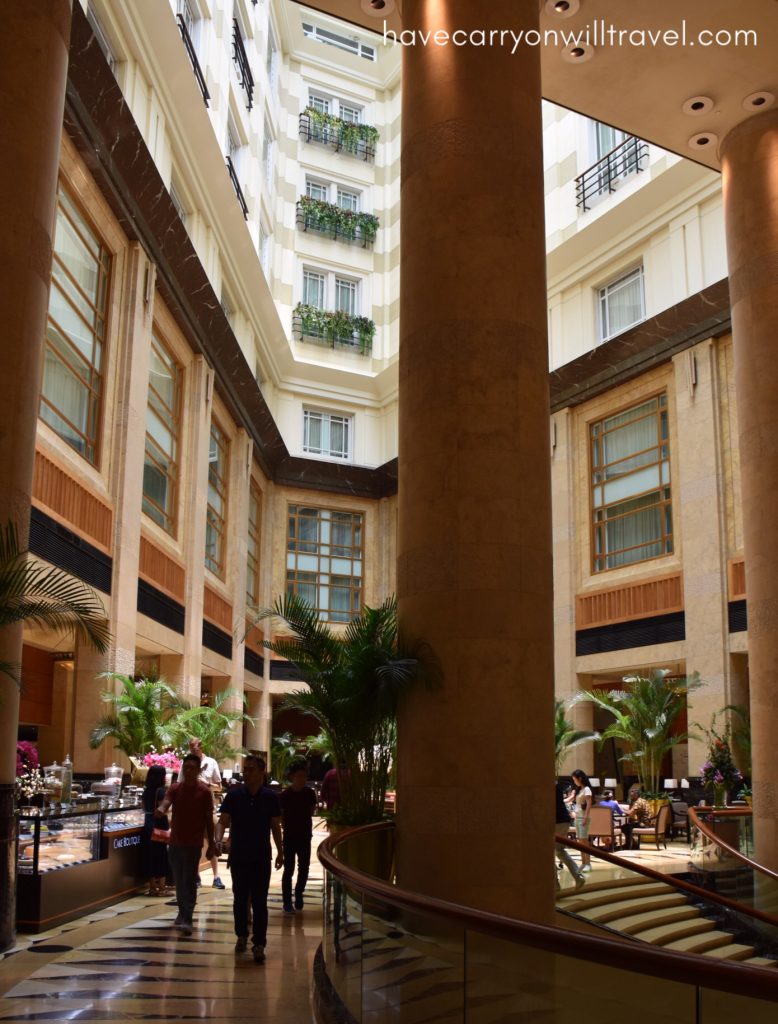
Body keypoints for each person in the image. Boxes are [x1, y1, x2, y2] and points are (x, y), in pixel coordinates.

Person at [215, 754, 283, 964]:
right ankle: (241, 935)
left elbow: (275, 826)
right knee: (240, 898)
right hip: (239, 856)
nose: (247, 773)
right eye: (246, 769)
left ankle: (259, 943)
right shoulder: (234, 796)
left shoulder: (270, 797)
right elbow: (223, 821)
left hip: (261, 856)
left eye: (252, 769)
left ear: (262, 772)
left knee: (260, 901)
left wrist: (281, 851)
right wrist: (218, 839)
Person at [157, 752, 216, 936]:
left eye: (192, 768)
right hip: (175, 842)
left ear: (198, 770)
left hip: (193, 843)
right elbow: (166, 802)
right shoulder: (175, 788)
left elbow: (208, 819)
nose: (188, 771)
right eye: (186, 767)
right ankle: (183, 912)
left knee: (189, 881)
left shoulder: (205, 792)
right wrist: (161, 809)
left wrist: (212, 843)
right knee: (179, 881)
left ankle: (187, 917)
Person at [178, 737, 225, 889]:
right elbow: (179, 784)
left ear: (201, 746)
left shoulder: (211, 763)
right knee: (193, 843)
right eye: (190, 747)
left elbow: (219, 787)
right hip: (190, 809)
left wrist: (206, 784)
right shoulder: (185, 764)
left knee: (211, 840)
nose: (192, 749)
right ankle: (195, 876)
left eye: (194, 747)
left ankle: (216, 876)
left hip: (207, 808)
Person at [280, 762, 317, 913]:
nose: (302, 779)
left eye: (304, 776)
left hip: (304, 835)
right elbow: (281, 816)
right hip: (289, 836)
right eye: (298, 776)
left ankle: (299, 892)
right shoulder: (284, 795)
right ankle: (287, 901)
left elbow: (311, 810)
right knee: (288, 868)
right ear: (292, 777)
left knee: (304, 867)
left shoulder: (309, 793)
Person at [141, 765, 169, 896]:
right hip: (159, 825)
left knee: (150, 856)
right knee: (161, 855)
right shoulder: (161, 791)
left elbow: (142, 807)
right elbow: (162, 810)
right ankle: (162, 888)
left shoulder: (146, 791)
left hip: (147, 823)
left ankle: (152, 887)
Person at [555, 781, 585, 890]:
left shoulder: (545, 785)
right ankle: (578, 877)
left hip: (555, 821)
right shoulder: (557, 785)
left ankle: (555, 885)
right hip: (564, 820)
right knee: (559, 851)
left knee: (549, 853)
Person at [571, 769, 593, 871]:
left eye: (575, 779)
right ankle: (583, 863)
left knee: (584, 841)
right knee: (580, 841)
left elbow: (589, 804)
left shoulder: (587, 789)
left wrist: (585, 818)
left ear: (580, 778)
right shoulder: (579, 790)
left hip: (583, 818)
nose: (574, 782)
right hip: (578, 817)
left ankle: (588, 863)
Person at [621, 786, 653, 850]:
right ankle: (633, 844)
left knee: (625, 827)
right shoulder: (642, 800)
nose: (630, 797)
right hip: (648, 822)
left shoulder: (638, 802)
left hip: (644, 823)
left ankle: (629, 845)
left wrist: (620, 810)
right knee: (628, 825)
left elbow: (630, 813)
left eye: (631, 796)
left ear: (636, 795)